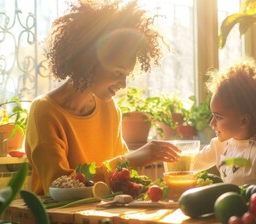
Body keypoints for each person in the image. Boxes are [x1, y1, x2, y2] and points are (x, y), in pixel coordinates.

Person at [25, 0, 180, 195]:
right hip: (62, 222)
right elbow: (58, 186)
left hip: (103, 217)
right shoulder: (45, 112)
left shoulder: (109, 109)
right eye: (118, 72)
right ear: (89, 62)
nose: (123, 84)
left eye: (127, 75)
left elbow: (118, 178)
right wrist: (131, 160)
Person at [194, 58, 256, 186]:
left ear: (243, 120)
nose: (212, 123)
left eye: (218, 117)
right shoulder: (220, 145)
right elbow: (190, 164)